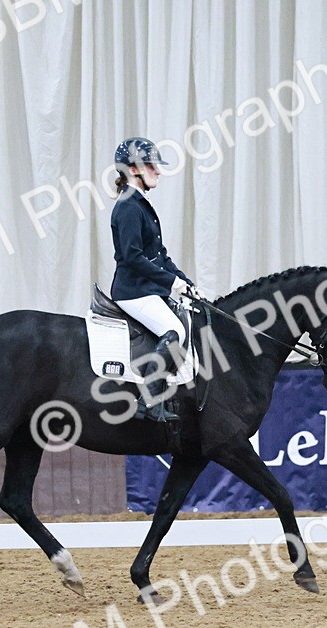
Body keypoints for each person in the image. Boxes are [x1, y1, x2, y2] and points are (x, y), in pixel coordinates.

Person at [109, 137, 205, 422]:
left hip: (147, 288)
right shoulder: (128, 206)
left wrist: (185, 283)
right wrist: (169, 283)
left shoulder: (140, 204)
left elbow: (159, 256)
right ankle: (148, 402)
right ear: (134, 169)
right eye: (152, 166)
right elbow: (132, 257)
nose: (158, 171)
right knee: (174, 331)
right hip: (132, 291)